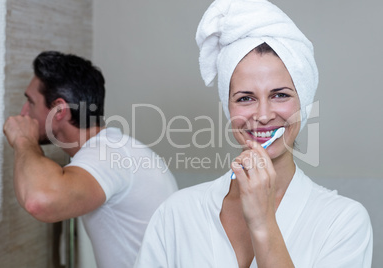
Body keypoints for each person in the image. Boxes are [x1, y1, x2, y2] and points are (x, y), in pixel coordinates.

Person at [134, 0, 373, 267]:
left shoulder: (343, 222)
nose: (262, 115)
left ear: (303, 103)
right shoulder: (176, 214)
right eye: (245, 98)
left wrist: (262, 222)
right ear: (228, 108)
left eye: (280, 95)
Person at [3, 51, 178, 268]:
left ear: (58, 110)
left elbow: (39, 201)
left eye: (30, 102)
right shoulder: (115, 146)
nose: (23, 112)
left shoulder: (107, 154)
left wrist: (23, 139)